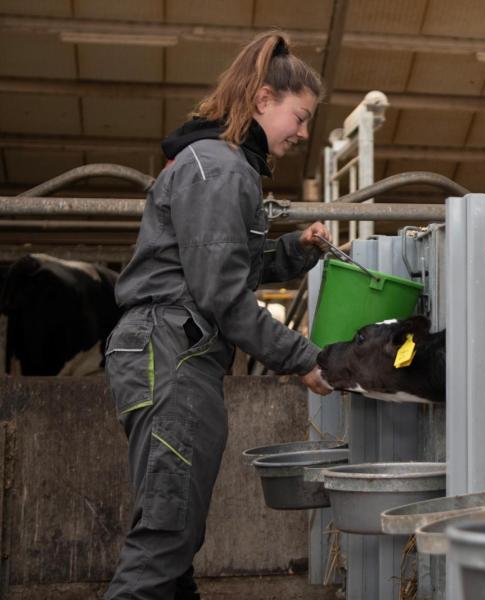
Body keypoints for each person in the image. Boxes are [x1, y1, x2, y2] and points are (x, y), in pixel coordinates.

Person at [104, 31, 332, 599]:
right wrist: (304, 359)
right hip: (172, 354)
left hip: (173, 351)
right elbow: (223, 296)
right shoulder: (222, 169)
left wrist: (297, 250)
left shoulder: (222, 166)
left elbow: (225, 265)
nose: (303, 133)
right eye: (299, 117)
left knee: (174, 528)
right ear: (262, 101)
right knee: (167, 531)